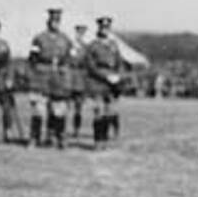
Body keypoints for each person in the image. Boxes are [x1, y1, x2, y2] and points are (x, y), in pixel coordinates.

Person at [28, 8, 73, 148]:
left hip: (59, 78)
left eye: (58, 21)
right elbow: (32, 59)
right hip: (42, 77)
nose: (55, 23)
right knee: (39, 111)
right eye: (53, 21)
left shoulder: (65, 39)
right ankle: (34, 138)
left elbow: (69, 58)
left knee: (59, 110)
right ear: (48, 21)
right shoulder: (39, 38)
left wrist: (64, 72)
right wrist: (34, 76)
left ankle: (58, 137)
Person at [83, 15, 125, 148]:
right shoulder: (93, 46)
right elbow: (90, 66)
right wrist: (105, 76)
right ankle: (98, 140)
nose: (105, 30)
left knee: (109, 112)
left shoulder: (114, 45)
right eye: (102, 27)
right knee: (98, 112)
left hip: (112, 83)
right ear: (98, 28)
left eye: (107, 27)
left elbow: (119, 62)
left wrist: (118, 76)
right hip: (97, 82)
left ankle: (105, 140)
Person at [68, 23, 89, 140]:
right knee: (63, 106)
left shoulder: (86, 48)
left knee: (78, 108)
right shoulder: (69, 45)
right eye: (79, 32)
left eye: (82, 33)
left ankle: (76, 130)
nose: (80, 35)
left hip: (80, 80)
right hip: (69, 78)